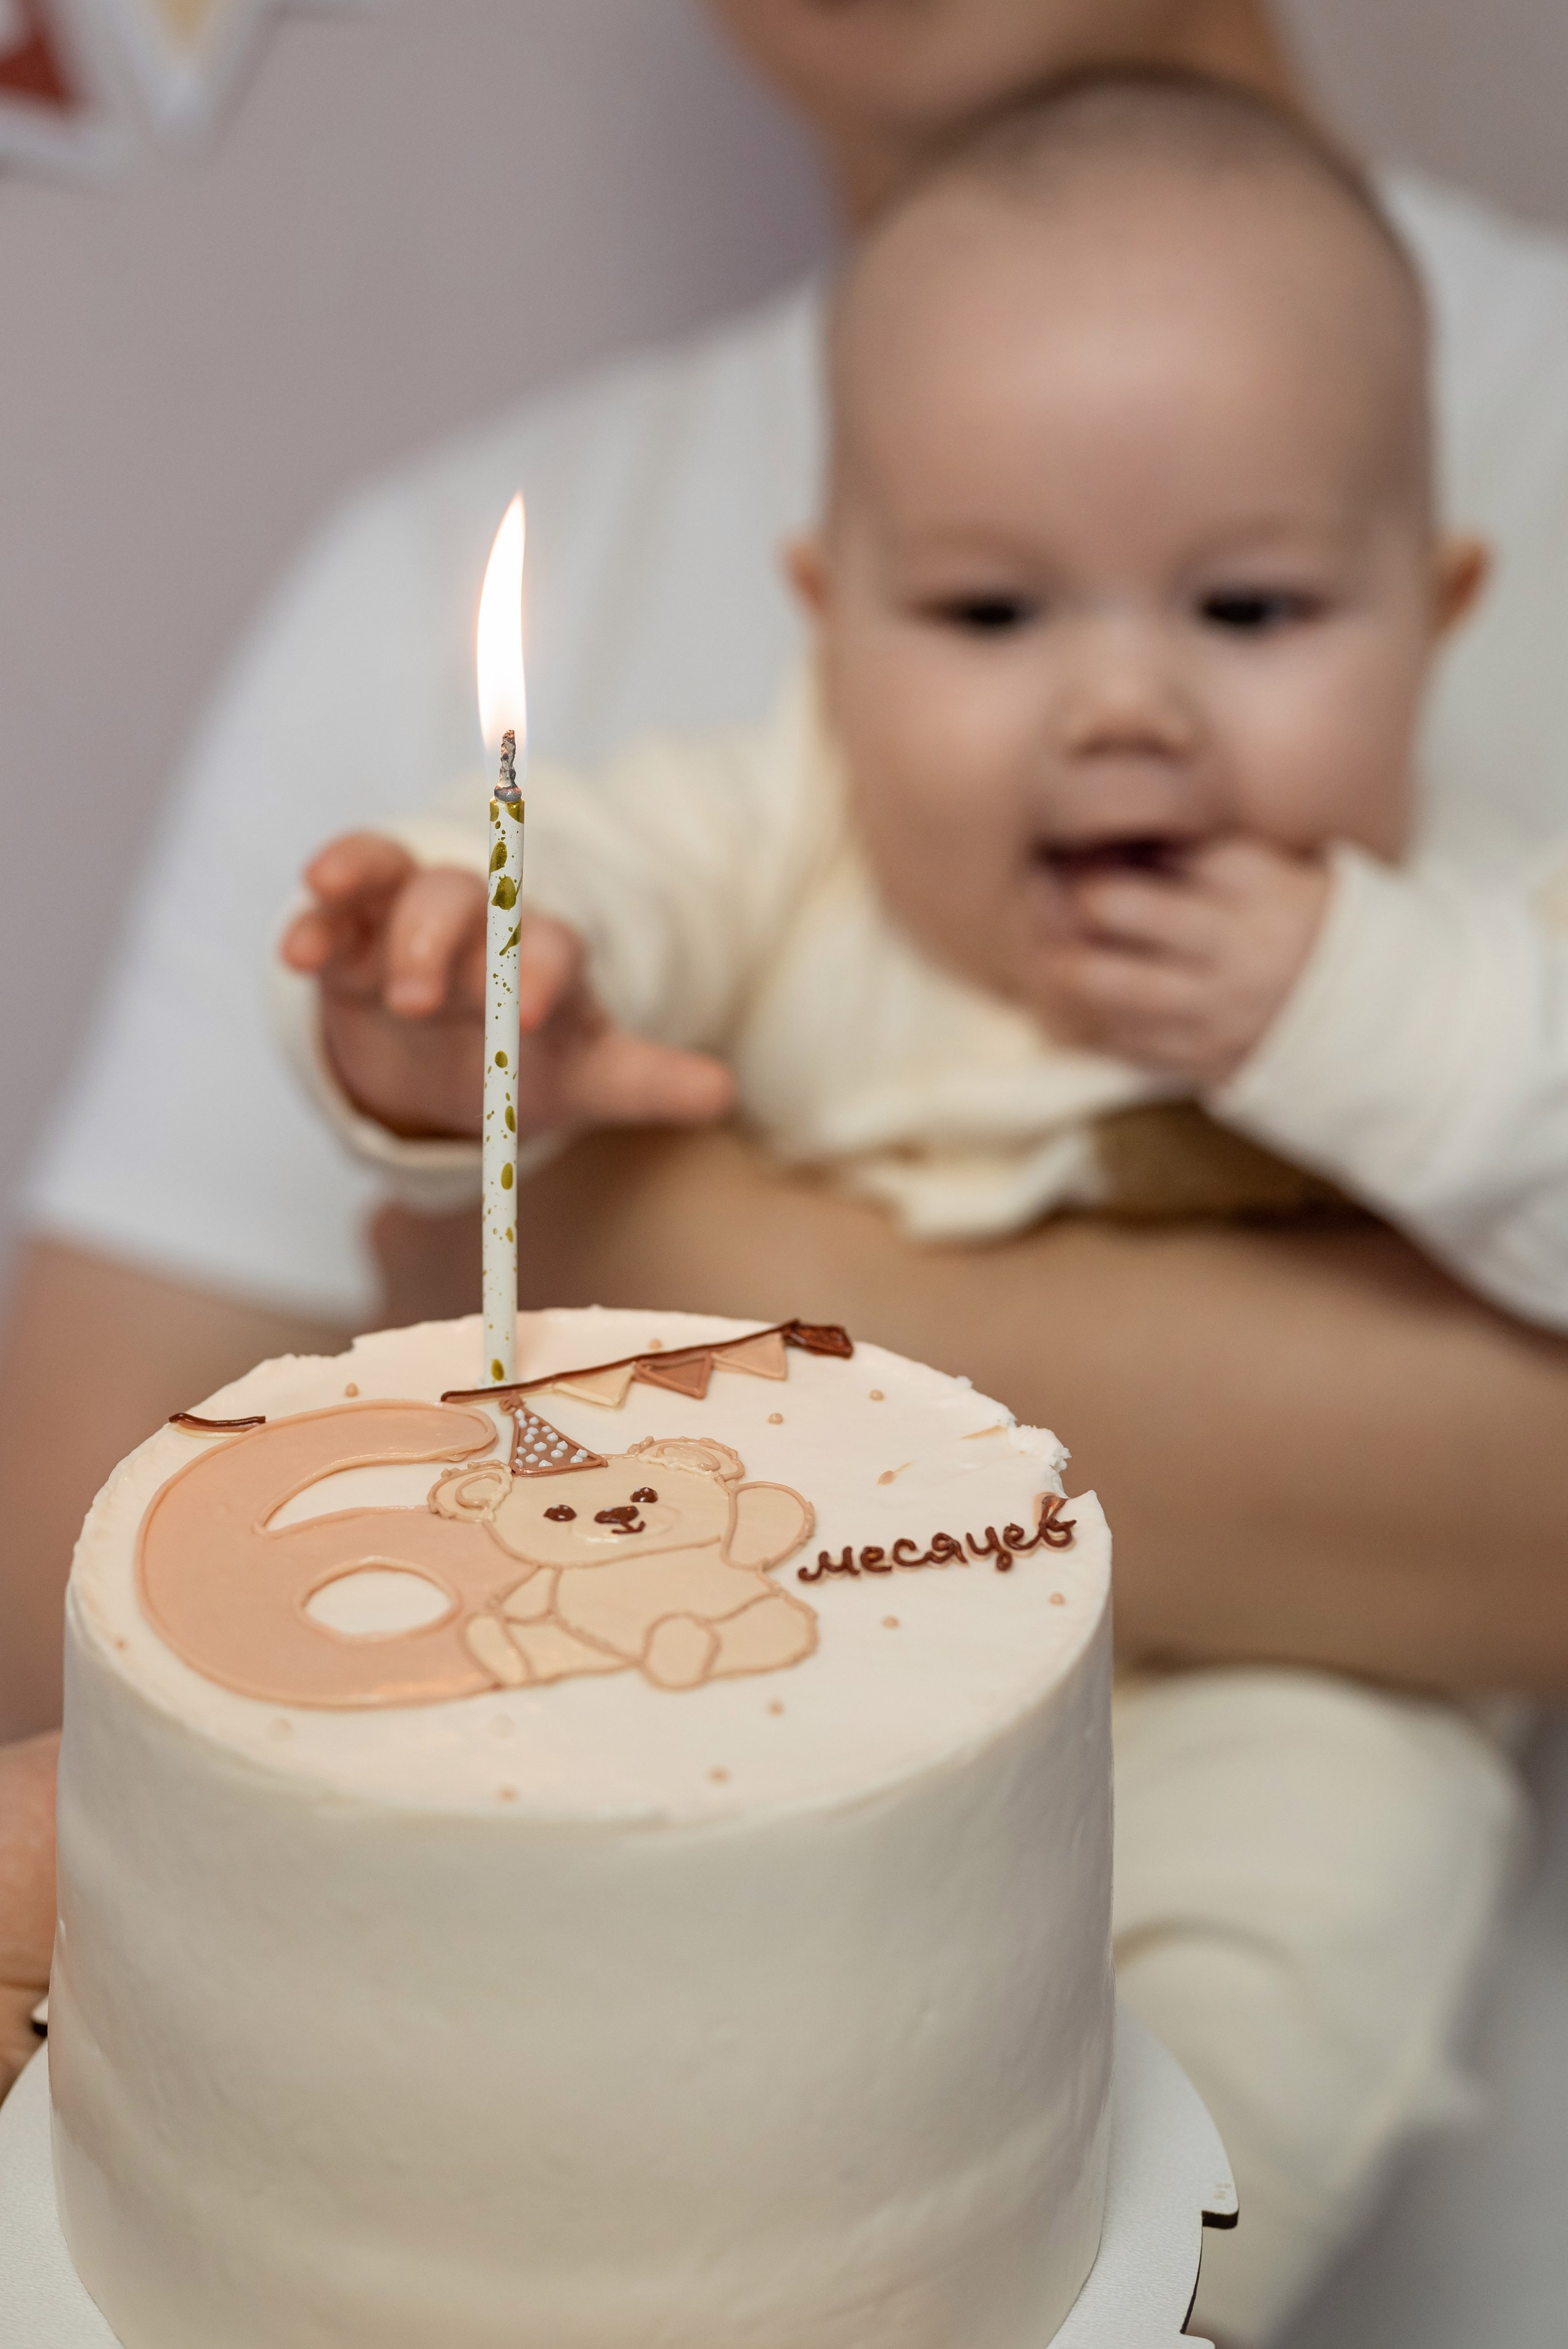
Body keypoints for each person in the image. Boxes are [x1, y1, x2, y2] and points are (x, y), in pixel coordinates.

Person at [3, 0, 1567, 2293]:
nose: (1119, 698)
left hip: (1285, 1708)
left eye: (1249, 613)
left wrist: (1350, 1013)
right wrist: (445, 994)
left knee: (1284, 1967)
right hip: (762, 1668)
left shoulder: (1473, 928)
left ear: (1435, 618)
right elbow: (594, 867)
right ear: (829, 628)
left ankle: (1175, 2297)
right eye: (988, 614)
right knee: (697, 2066)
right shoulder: (806, 824)